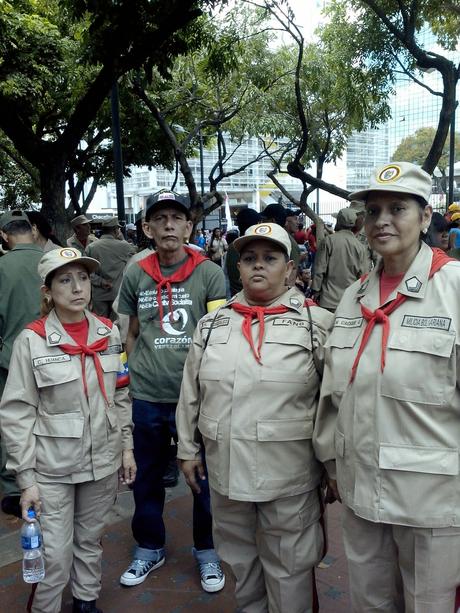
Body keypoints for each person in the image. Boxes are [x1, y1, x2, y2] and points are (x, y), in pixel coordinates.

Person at [313, 161, 460, 613]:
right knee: (370, 603)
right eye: (372, 210)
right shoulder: (355, 297)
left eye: (397, 208)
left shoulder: (453, 287)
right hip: (361, 492)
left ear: (425, 216)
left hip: (432, 499)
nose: (381, 221)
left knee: (429, 605)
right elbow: (334, 392)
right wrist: (332, 464)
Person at [177, 222, 333, 613]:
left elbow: (335, 404)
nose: (258, 267)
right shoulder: (212, 325)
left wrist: (334, 466)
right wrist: (187, 449)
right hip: (227, 474)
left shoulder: (317, 324)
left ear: (292, 270)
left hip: (289, 478)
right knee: (241, 565)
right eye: (248, 259)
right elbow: (191, 393)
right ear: (237, 268)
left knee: (289, 572)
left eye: (270, 258)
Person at [0, 247, 135, 613]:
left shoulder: (109, 332)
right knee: (54, 552)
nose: (77, 288)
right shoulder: (33, 339)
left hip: (102, 461)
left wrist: (126, 448)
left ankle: (86, 602)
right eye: (65, 279)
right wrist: (25, 479)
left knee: (90, 541)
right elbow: (17, 412)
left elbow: (121, 393)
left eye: (83, 278)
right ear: (47, 290)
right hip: (52, 468)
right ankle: (46, 607)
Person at [117, 189, 227, 592]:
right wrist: (130, 383)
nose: (168, 225)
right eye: (159, 218)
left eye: (176, 218)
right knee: (146, 477)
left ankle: (207, 551)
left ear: (189, 226)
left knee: (201, 477)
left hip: (195, 396)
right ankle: (149, 547)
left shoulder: (210, 272)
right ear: (147, 227)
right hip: (147, 395)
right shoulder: (136, 272)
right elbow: (130, 331)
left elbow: (219, 334)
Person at [0, 210, 44, 518]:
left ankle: (14, 488)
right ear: (32, 230)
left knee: (13, 422)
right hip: (58, 355)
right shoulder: (59, 261)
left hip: (10, 358)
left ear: (4, 236)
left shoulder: (1, 266)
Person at [311, 207, 369, 312]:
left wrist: (315, 291)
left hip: (327, 301)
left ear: (339, 221)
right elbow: (363, 276)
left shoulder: (328, 241)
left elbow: (319, 269)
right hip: (349, 301)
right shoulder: (360, 247)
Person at [84, 217, 137, 319]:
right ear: (115, 230)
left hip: (98, 293)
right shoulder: (124, 246)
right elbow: (136, 252)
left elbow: (86, 271)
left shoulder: (91, 247)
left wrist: (101, 281)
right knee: (116, 325)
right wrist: (122, 239)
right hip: (116, 293)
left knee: (100, 324)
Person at [225, 207, 261, 297]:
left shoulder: (231, 247)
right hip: (250, 298)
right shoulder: (253, 247)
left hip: (236, 297)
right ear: (257, 224)